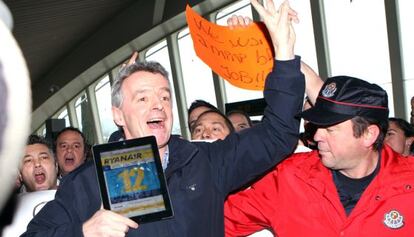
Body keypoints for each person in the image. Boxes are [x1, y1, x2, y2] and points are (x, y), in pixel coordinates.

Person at [22, 1, 307, 236]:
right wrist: (83, 232)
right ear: (118, 114)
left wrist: (283, 54)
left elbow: (278, 134)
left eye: (165, 97)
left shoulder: (205, 161)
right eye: (142, 98)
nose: (157, 105)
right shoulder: (87, 182)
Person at [224, 2, 414, 236]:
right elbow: (215, 220)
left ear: (368, 134)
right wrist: (270, 43)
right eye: (317, 125)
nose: (316, 135)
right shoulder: (288, 180)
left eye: (330, 129)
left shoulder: (409, 183)